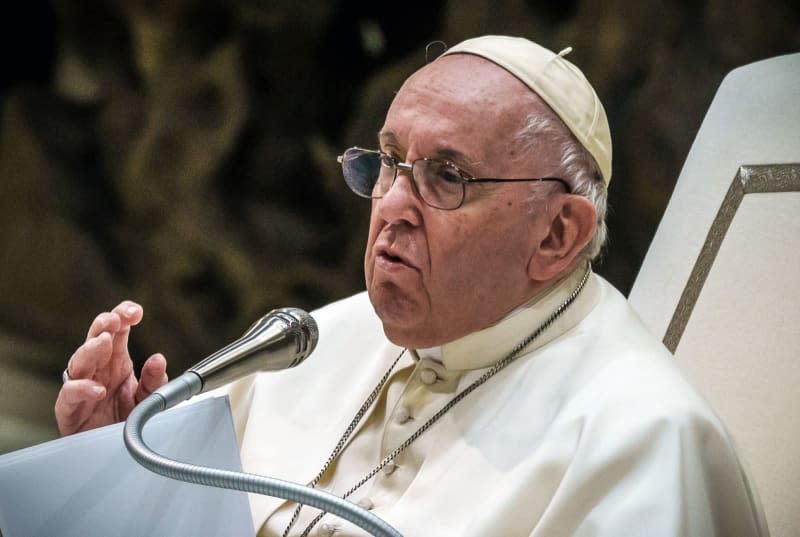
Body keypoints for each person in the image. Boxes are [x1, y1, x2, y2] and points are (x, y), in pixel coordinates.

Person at [54, 36, 767, 537]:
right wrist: (125, 467)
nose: (392, 204)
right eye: (389, 161)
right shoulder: (315, 342)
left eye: (448, 175)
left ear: (557, 235)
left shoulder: (641, 444)